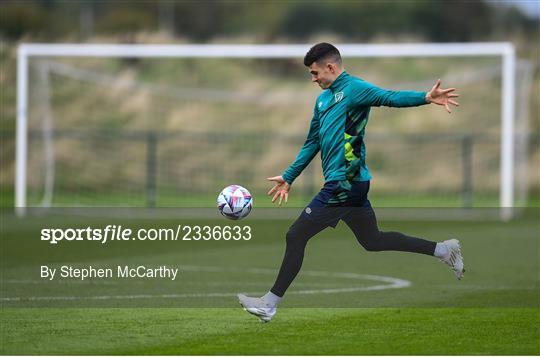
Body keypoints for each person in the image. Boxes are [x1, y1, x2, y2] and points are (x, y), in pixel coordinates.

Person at [238, 43, 463, 322]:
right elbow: (313, 142)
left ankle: (269, 304)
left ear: (331, 67)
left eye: (315, 72)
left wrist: (425, 97)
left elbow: (389, 97)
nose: (313, 79)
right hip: (351, 184)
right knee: (373, 240)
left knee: (295, 235)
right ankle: (444, 250)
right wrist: (289, 176)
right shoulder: (322, 101)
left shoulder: (355, 89)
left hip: (344, 184)